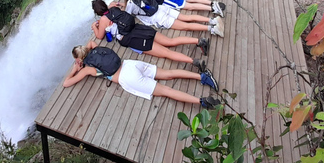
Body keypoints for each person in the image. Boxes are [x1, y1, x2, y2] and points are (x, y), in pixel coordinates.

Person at [64, 42, 220, 108]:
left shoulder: (87, 69)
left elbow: (66, 83)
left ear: (79, 59)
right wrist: (83, 53)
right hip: (130, 63)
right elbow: (90, 43)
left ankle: (203, 101)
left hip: (127, 77)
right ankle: (202, 77)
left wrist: (75, 69)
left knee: (166, 91)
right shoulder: (95, 48)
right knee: (169, 74)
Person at [91, 0, 209, 72]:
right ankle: (199, 41)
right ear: (105, 5)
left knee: (167, 53)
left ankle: (195, 62)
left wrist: (94, 27)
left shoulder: (103, 20)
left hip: (133, 39)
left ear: (97, 13)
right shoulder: (113, 6)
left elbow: (100, 36)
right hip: (140, 28)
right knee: (170, 41)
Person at [115, 0, 225, 39]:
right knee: (186, 18)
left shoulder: (129, 3)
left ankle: (212, 29)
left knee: (185, 26)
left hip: (157, 17)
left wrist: (118, 9)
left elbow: (128, 15)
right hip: (161, 8)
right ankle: (213, 21)